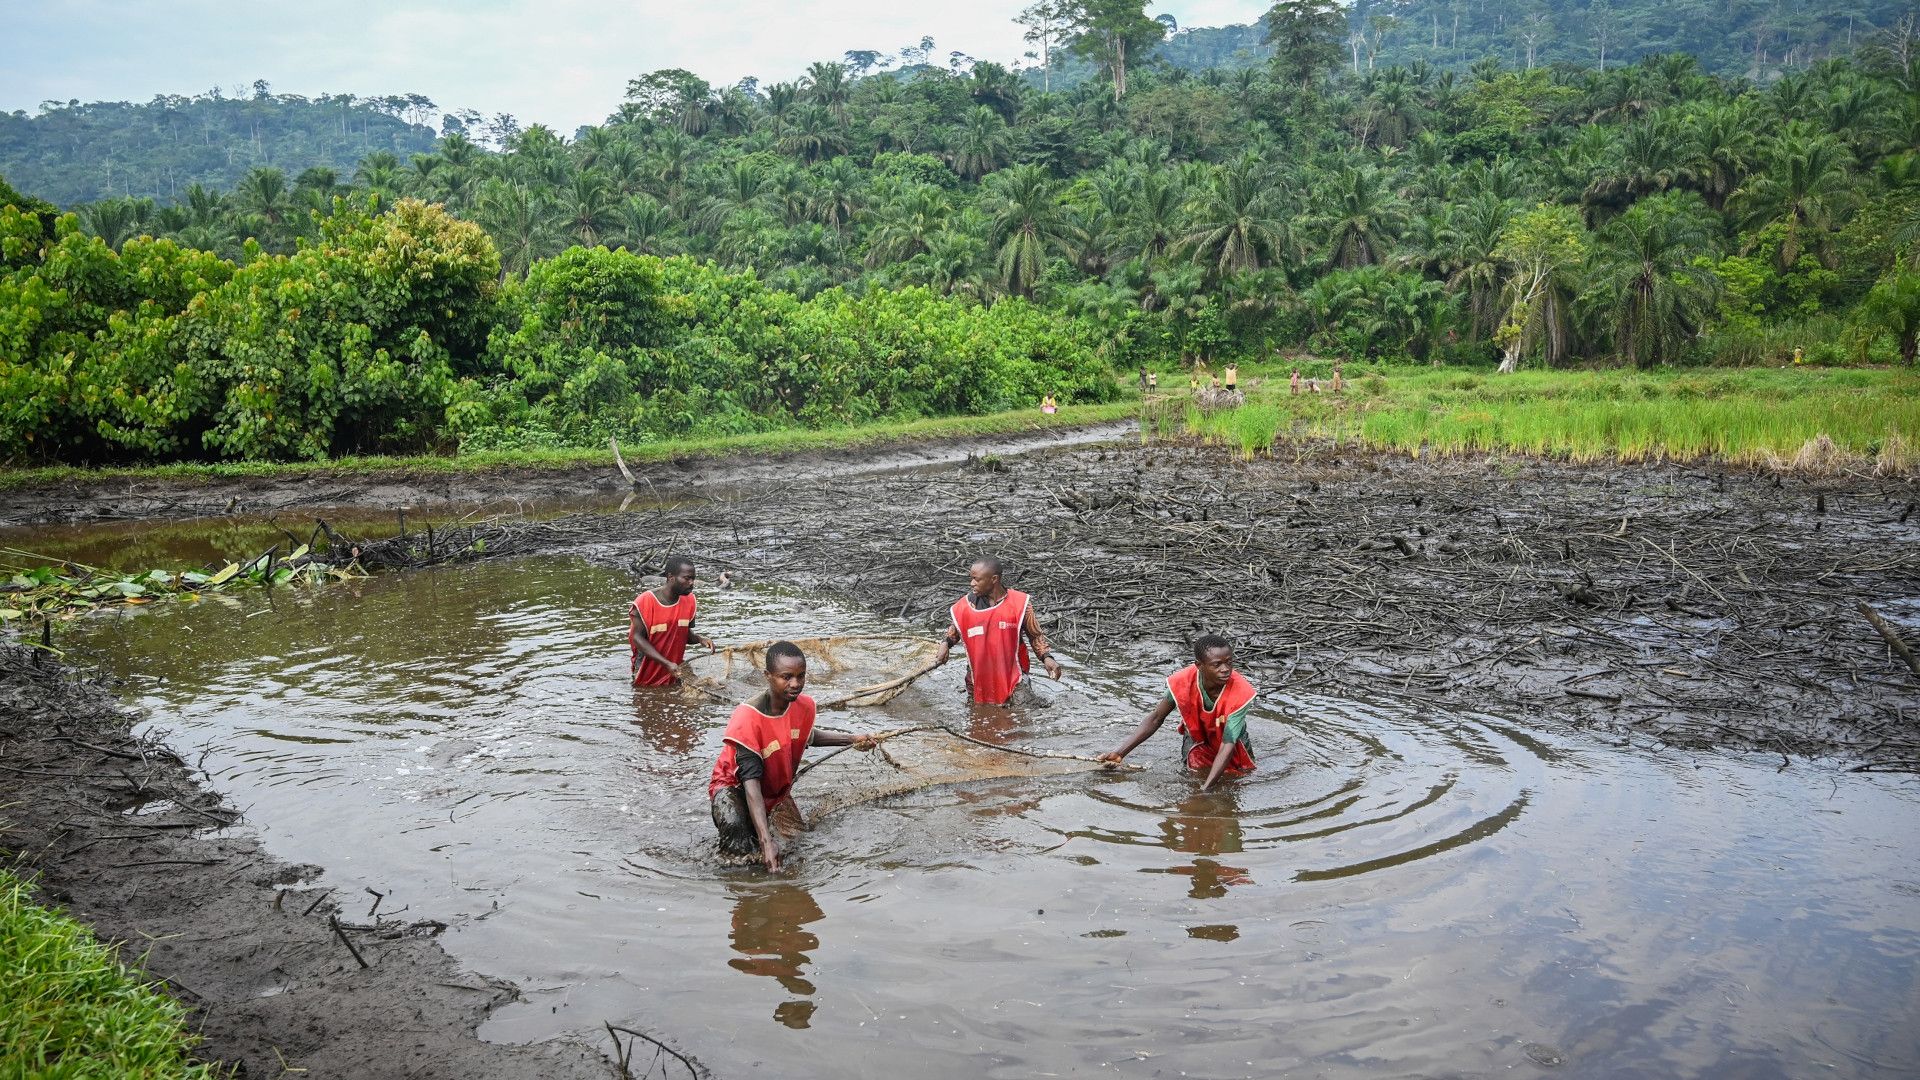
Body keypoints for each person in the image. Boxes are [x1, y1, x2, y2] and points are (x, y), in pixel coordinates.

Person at [709, 641, 878, 870]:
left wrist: (851, 739)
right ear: (768, 675)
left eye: (801, 676)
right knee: (741, 850)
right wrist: (766, 841)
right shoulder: (748, 718)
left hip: (774, 790)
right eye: (786, 677)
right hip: (735, 788)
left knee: (798, 842)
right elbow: (751, 784)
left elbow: (806, 735)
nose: (795, 684)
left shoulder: (802, 706)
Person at [1099, 634, 1256, 792]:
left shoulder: (1241, 691)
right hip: (1197, 737)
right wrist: (1120, 753)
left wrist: (1206, 790)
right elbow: (1155, 718)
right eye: (1217, 665)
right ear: (1199, 665)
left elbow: (1227, 745)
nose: (1225, 669)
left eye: (1229, 662)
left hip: (1232, 741)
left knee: (1237, 781)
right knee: (1193, 778)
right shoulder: (1183, 681)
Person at [934, 556, 1062, 705]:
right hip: (977, 679)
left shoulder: (1020, 604)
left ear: (994, 579)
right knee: (979, 720)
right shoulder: (966, 606)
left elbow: (1035, 635)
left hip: (1015, 677)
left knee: (1024, 713)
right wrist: (945, 645)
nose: (972, 583)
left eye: (977, 579)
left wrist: (1047, 657)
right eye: (971, 578)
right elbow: (953, 632)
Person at [630, 556, 714, 686]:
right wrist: (666, 663)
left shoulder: (690, 601)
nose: (691, 583)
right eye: (687, 578)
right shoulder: (645, 602)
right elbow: (637, 638)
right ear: (670, 577)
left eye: (693, 578)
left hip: (675, 667)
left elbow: (683, 633)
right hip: (647, 670)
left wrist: (699, 639)